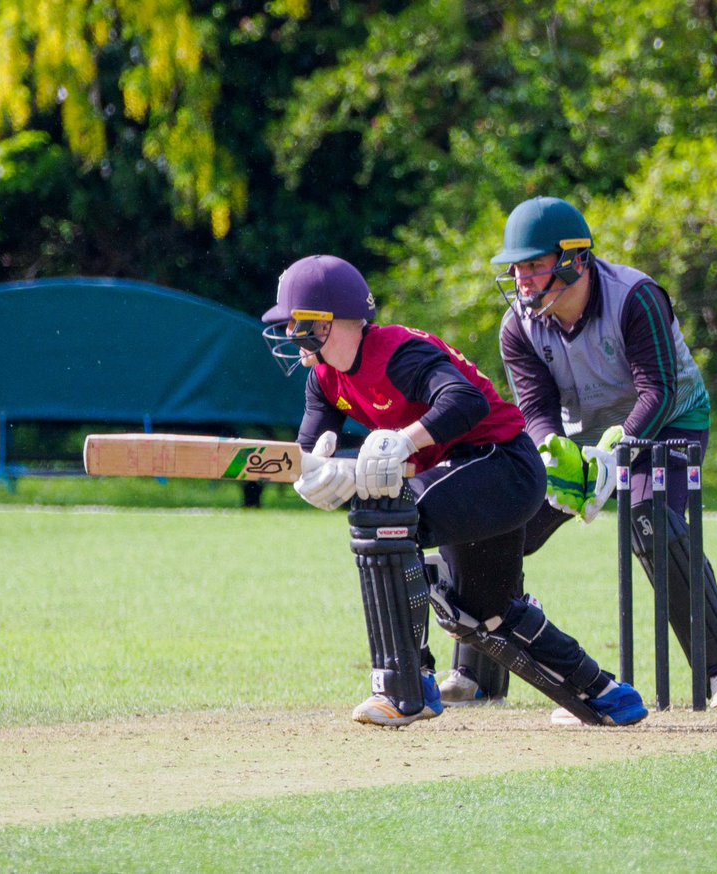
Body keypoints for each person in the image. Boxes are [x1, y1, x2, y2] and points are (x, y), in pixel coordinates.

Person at [261, 253, 648, 728]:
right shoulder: (324, 378)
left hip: (503, 464)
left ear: (329, 322)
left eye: (295, 322)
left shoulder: (398, 353)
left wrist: (404, 439)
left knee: (385, 519)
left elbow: (462, 400)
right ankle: (607, 694)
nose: (287, 334)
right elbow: (311, 448)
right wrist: (315, 476)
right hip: (468, 473)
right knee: (486, 615)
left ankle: (407, 686)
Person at [439, 196, 717, 718]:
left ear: (574, 260)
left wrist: (617, 457)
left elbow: (657, 390)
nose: (522, 280)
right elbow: (535, 408)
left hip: (670, 423)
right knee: (497, 518)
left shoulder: (636, 297)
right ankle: (476, 673)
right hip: (582, 435)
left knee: (653, 522)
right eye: (517, 268)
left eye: (535, 266)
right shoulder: (518, 325)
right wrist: (554, 454)